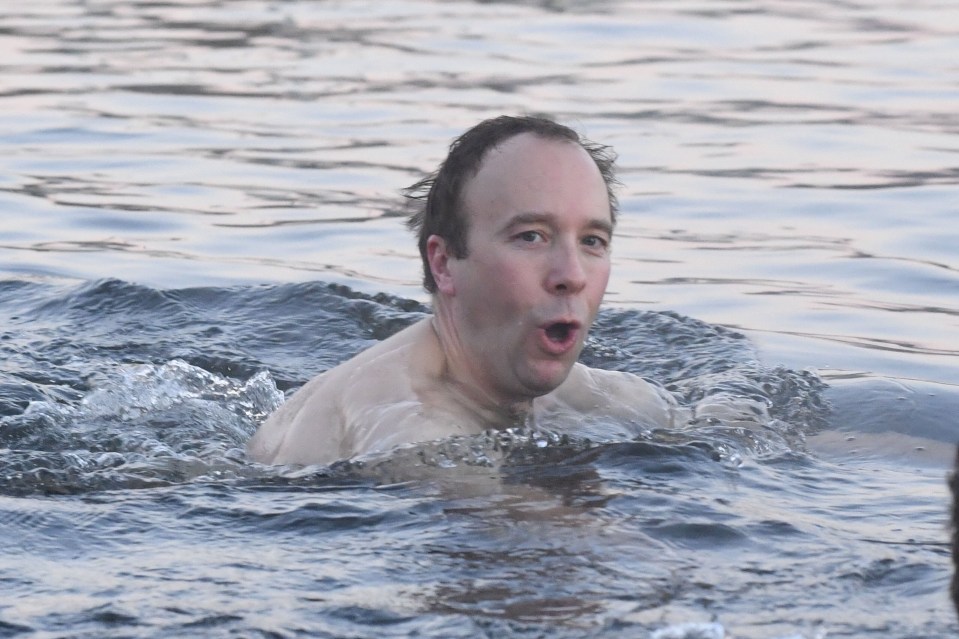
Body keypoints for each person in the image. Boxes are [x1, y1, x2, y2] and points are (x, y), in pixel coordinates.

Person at [247, 115, 681, 466]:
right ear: (444, 264)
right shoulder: (419, 436)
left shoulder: (583, 395)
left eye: (592, 242)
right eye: (531, 236)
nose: (571, 274)